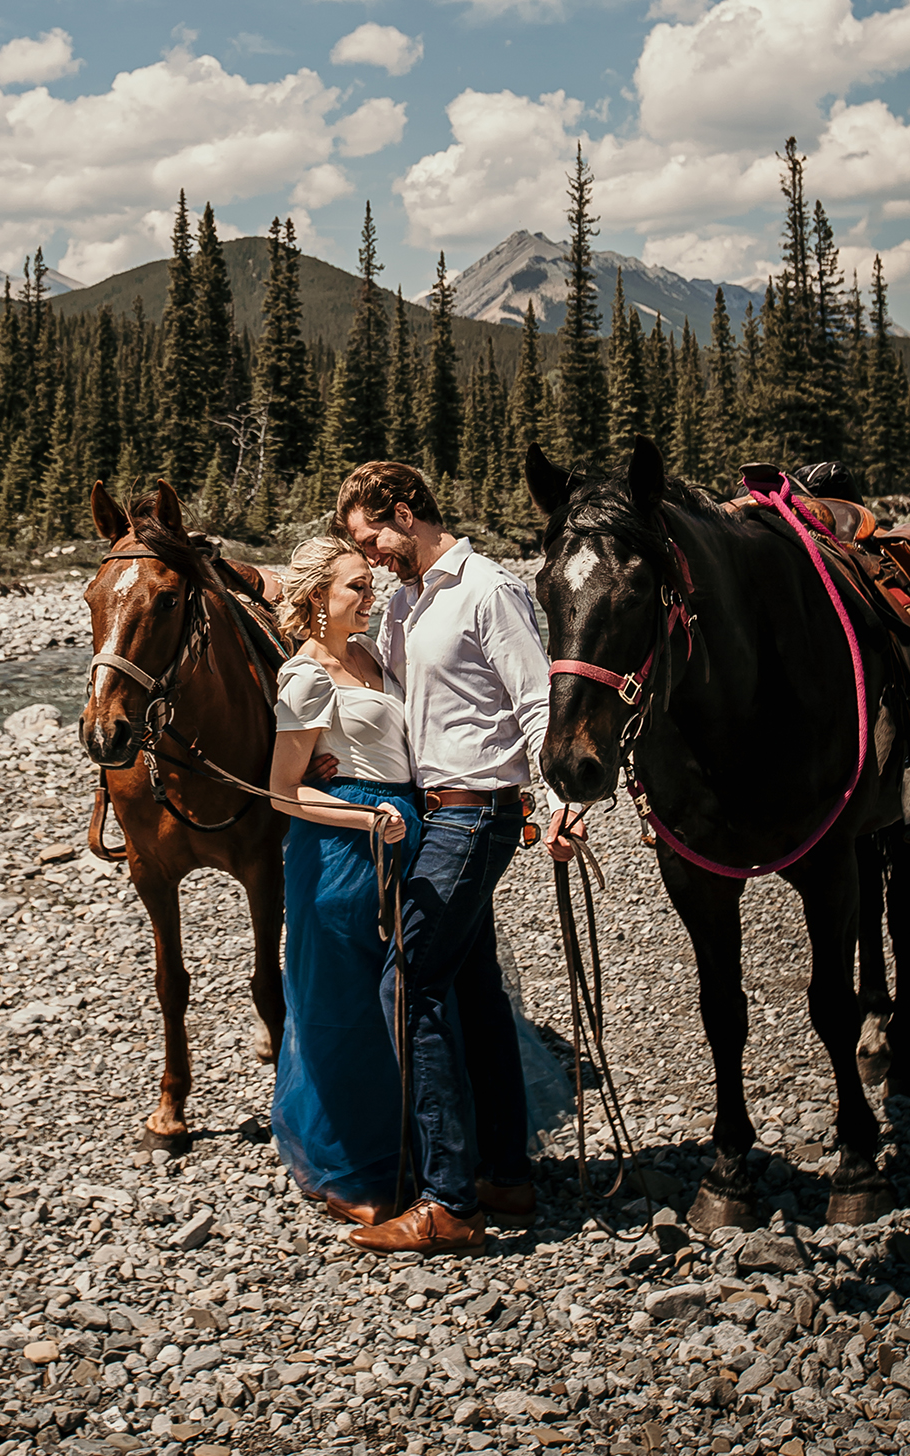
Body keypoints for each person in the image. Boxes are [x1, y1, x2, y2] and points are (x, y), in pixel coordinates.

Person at [335, 458, 587, 1256]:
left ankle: (448, 1198)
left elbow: (537, 700)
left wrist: (557, 806)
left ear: (405, 511)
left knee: (407, 983)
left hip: (475, 817)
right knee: (474, 992)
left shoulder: (488, 588)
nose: (369, 553)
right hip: (432, 815)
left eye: (369, 534)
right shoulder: (405, 604)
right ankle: (505, 1175)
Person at [266, 532, 422, 1229]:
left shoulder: (370, 653)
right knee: (343, 1004)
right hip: (340, 850)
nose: (371, 593)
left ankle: (411, 1142)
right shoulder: (306, 675)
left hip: (401, 827)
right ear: (315, 600)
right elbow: (281, 792)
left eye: (369, 581)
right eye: (355, 586)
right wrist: (365, 819)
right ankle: (350, 1164)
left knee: (402, 997)